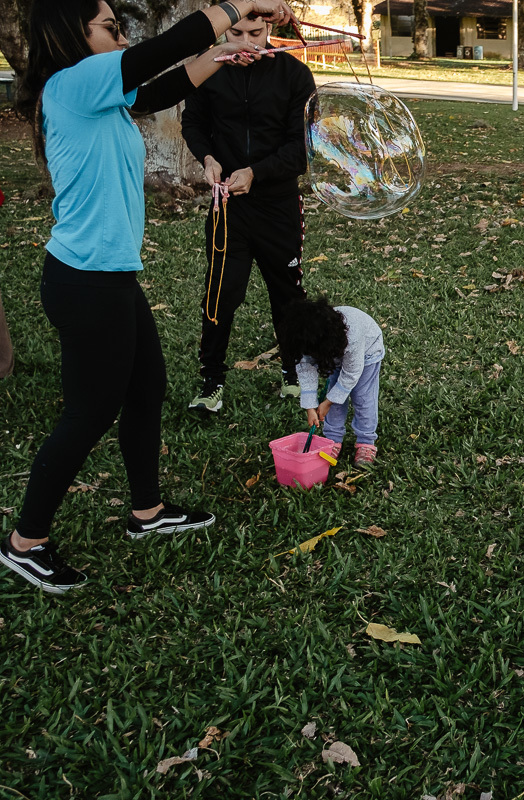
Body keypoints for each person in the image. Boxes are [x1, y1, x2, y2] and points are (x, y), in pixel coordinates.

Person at [0, 0, 296, 595]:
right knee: (89, 413)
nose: (122, 38)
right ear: (72, 33)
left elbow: (161, 89)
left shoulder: (100, 93)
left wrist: (223, 53)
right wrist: (241, 6)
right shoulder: (75, 81)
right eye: (110, 28)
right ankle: (23, 543)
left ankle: (148, 512)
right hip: (87, 280)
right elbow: (163, 51)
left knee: (145, 388)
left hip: (107, 276)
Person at [181, 14, 316, 414]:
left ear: (269, 30)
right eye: (235, 33)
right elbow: (193, 123)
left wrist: (256, 172)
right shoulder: (209, 70)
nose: (245, 42)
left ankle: (293, 372)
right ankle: (212, 382)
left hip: (278, 206)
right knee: (220, 294)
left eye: (255, 34)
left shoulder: (294, 75)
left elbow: (301, 147)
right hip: (228, 207)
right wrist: (207, 158)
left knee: (287, 293)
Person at [278, 297, 384, 465]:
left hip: (367, 353)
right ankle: (332, 439)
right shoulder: (305, 339)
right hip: (333, 354)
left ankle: (366, 441)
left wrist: (328, 402)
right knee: (334, 396)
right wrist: (310, 407)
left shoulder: (351, 335)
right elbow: (306, 370)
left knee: (362, 397)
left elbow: (351, 373)